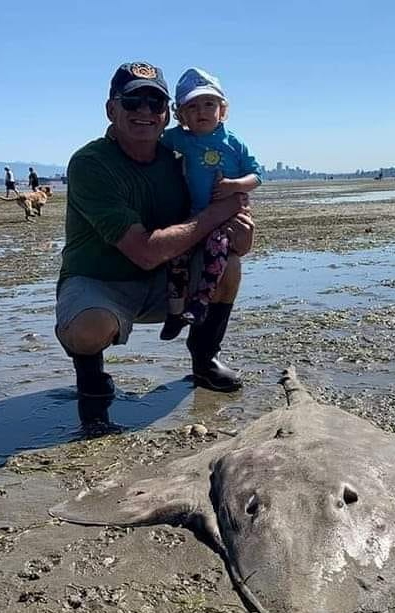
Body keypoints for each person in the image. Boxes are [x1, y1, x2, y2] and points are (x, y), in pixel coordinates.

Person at [55, 61, 253, 402]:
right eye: (133, 102)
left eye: (155, 103)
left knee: (229, 266)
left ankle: (204, 359)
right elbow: (146, 252)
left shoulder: (177, 159)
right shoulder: (90, 163)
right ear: (111, 109)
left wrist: (240, 234)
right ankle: (91, 378)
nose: (144, 111)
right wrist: (216, 213)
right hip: (100, 281)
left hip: (165, 281)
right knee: (89, 330)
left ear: (167, 114)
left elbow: (222, 213)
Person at [156, 67, 261, 340]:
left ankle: (201, 302)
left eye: (208, 104)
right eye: (192, 107)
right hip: (194, 216)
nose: (201, 111)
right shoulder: (180, 138)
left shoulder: (234, 143)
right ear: (181, 116)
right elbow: (152, 140)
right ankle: (174, 314)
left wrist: (235, 186)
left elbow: (256, 176)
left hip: (225, 222)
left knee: (219, 251)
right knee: (176, 257)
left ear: (222, 110)